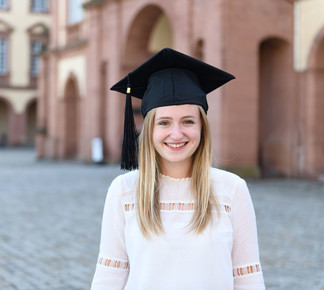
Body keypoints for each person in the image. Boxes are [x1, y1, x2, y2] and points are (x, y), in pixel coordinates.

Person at [91, 48, 265, 289]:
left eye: (188, 121)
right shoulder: (124, 190)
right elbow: (109, 276)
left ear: (202, 127)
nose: (176, 134)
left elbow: (247, 278)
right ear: (149, 129)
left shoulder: (231, 189)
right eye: (164, 122)